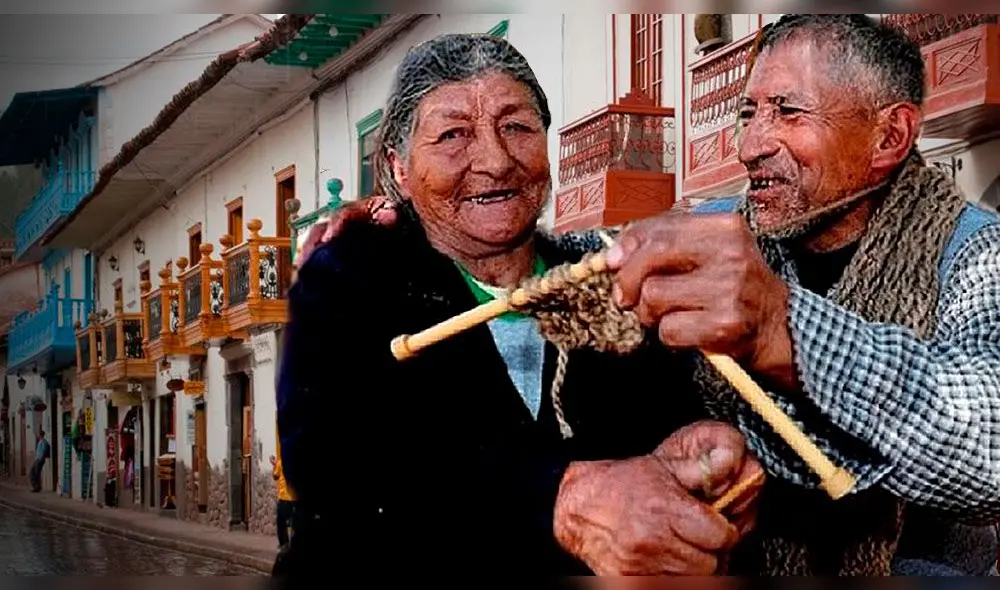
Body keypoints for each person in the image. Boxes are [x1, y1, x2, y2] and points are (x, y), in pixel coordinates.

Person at [302, 16, 1000, 576]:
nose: (752, 145)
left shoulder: (976, 251)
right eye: (748, 113)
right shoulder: (713, 230)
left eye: (788, 112)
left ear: (890, 135)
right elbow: (575, 264)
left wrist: (783, 328)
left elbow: (990, 447)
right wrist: (411, 220)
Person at [274, 33, 763, 576]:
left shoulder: (605, 280)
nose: (496, 160)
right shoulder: (347, 276)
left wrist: (700, 462)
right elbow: (332, 466)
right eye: (454, 135)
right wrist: (558, 499)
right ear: (400, 166)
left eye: (517, 127)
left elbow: (662, 431)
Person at [270, 441, 295, 548]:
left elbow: (275, 476)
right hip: (295, 497)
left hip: (284, 497)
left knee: (281, 522)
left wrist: (274, 465)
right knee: (295, 522)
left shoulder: (282, 462)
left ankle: (284, 543)